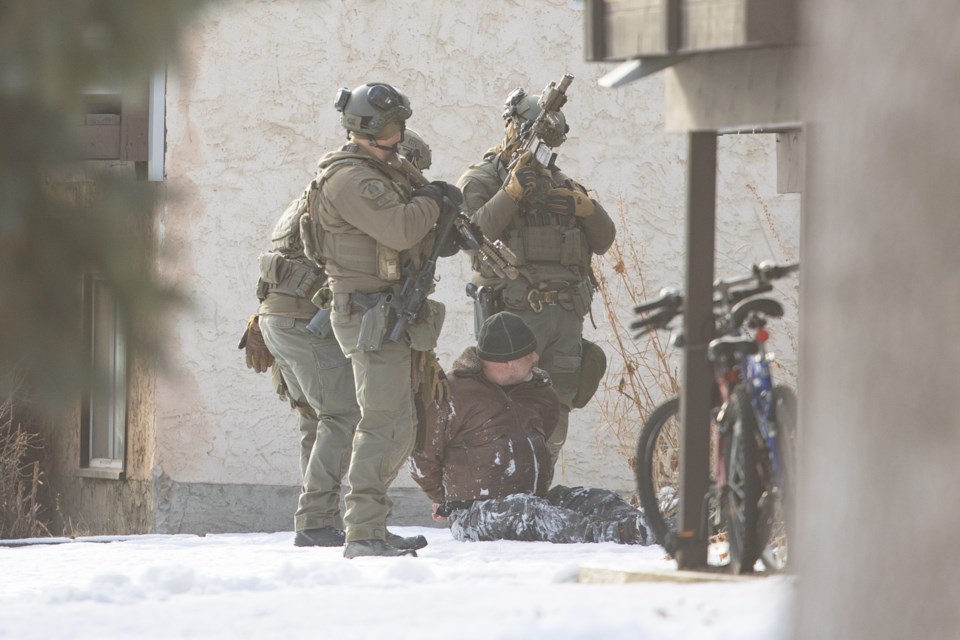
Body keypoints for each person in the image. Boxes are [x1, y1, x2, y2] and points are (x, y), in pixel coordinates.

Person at [314, 81, 460, 558]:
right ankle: (363, 533)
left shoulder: (383, 169)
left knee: (398, 423)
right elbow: (399, 229)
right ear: (368, 129)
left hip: (388, 310)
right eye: (393, 127)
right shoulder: (351, 178)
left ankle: (371, 527)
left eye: (401, 125)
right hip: (368, 314)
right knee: (382, 424)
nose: (400, 135)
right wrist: (434, 201)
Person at [457, 86, 617, 472]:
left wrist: (586, 209)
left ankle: (537, 481)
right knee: (502, 403)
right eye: (534, 134)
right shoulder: (482, 179)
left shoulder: (563, 183)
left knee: (555, 404)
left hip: (565, 315)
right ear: (512, 128)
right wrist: (511, 192)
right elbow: (472, 237)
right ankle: (497, 482)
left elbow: (604, 240)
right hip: (513, 314)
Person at [410, 312, 649, 546]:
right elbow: (422, 456)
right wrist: (443, 499)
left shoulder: (538, 390)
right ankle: (618, 534)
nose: (536, 357)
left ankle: (650, 524)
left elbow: (546, 430)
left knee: (597, 499)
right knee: (528, 512)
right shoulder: (451, 394)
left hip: (536, 500)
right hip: (476, 513)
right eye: (528, 354)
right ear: (507, 361)